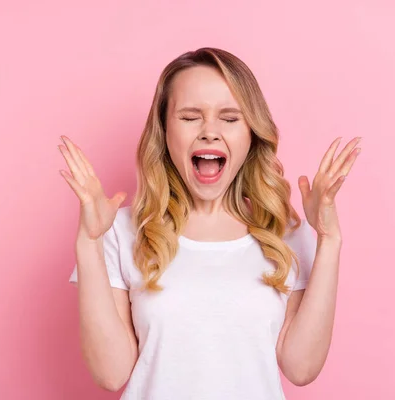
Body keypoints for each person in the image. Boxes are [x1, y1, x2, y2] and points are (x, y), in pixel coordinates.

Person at [58, 47, 361, 399]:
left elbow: (301, 367)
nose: (210, 133)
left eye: (230, 119)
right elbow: (111, 374)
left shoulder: (285, 236)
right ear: (165, 131)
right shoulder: (121, 232)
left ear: (251, 134)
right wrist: (88, 242)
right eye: (190, 117)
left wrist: (329, 239)